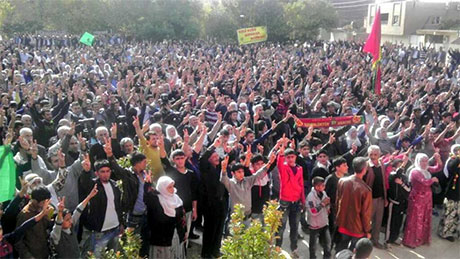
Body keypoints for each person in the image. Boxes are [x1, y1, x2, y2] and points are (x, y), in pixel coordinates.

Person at [79, 159, 123, 257]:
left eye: (108, 171)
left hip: (115, 228)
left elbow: (118, 206)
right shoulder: (93, 185)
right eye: (102, 172)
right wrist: (86, 171)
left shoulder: (114, 185)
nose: (105, 174)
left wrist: (121, 223)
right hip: (100, 231)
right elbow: (84, 183)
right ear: (96, 173)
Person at [220, 151, 276, 219]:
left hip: (248, 217)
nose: (241, 174)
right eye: (239, 172)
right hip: (236, 218)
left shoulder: (248, 181)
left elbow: (259, 174)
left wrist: (269, 162)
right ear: (233, 173)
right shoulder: (231, 183)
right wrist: (223, 169)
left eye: (242, 171)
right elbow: (223, 179)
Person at [403, 153, 442, 248]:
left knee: (425, 218)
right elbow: (424, 182)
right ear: (417, 161)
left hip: (427, 198)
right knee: (415, 219)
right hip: (417, 199)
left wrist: (438, 158)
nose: (424, 163)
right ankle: (410, 241)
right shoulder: (415, 171)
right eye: (422, 161)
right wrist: (433, 180)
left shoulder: (426, 169)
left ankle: (421, 239)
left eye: (426, 161)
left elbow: (438, 168)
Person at [275, 135, 305, 258]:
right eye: (288, 157)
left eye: (292, 157)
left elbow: (301, 185)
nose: (291, 159)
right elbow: (279, 162)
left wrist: (303, 200)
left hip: (296, 201)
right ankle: (277, 249)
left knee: (294, 227)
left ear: (295, 157)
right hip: (285, 200)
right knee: (281, 227)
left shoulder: (299, 168)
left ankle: (294, 249)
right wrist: (282, 148)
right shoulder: (284, 167)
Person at [50, 183, 98, 258]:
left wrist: (89, 197)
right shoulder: (57, 236)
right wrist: (60, 212)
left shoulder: (70, 226)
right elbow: (58, 224)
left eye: (70, 218)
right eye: (67, 220)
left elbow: (78, 210)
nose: (70, 221)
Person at [144, 175, 187, 259]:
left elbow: (182, 217)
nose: (172, 189)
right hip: (161, 239)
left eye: (172, 186)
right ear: (162, 188)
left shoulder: (176, 199)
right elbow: (147, 196)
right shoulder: (156, 200)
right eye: (169, 187)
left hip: (176, 236)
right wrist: (147, 183)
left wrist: (184, 231)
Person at [335, 157, 372, 252]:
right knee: (353, 251)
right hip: (357, 227)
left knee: (340, 248)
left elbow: (337, 202)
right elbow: (366, 214)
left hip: (343, 223)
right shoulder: (366, 190)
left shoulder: (342, 181)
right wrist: (367, 230)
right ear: (364, 170)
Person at [14, 187, 53, 259]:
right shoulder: (25, 215)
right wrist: (28, 256)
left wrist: (48, 217)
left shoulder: (44, 209)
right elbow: (18, 240)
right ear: (35, 201)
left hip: (44, 252)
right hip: (33, 254)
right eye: (43, 202)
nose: (46, 205)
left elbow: (47, 228)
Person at [364, 145, 387, 249]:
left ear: (379, 155)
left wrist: (385, 198)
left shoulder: (381, 164)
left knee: (378, 221)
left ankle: (375, 240)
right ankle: (364, 242)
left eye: (375, 154)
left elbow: (383, 182)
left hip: (380, 198)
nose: (373, 157)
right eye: (371, 154)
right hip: (370, 199)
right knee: (367, 221)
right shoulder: (366, 166)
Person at [386, 157, 411, 245]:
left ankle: (394, 238)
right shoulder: (392, 175)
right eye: (399, 165)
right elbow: (397, 173)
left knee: (398, 222)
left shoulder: (404, 177)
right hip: (393, 204)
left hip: (401, 204)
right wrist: (404, 163)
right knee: (391, 222)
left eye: (402, 165)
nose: (402, 167)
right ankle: (388, 240)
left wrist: (402, 184)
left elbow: (408, 189)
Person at [325, 157, 348, 246]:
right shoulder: (330, 178)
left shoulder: (347, 177)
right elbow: (325, 194)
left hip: (344, 207)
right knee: (332, 227)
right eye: (344, 165)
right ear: (337, 167)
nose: (347, 167)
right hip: (333, 207)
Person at [306, 176, 331, 259]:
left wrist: (328, 206)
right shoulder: (310, 197)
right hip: (314, 225)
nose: (324, 187)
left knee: (327, 244)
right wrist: (323, 204)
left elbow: (326, 202)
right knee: (313, 246)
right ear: (317, 187)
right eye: (322, 185)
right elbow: (313, 212)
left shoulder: (323, 193)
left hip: (324, 222)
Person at [438, 155, 460, 242]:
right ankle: (446, 233)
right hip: (453, 194)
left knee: (457, 216)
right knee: (450, 214)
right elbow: (450, 168)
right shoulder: (454, 160)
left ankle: (455, 232)